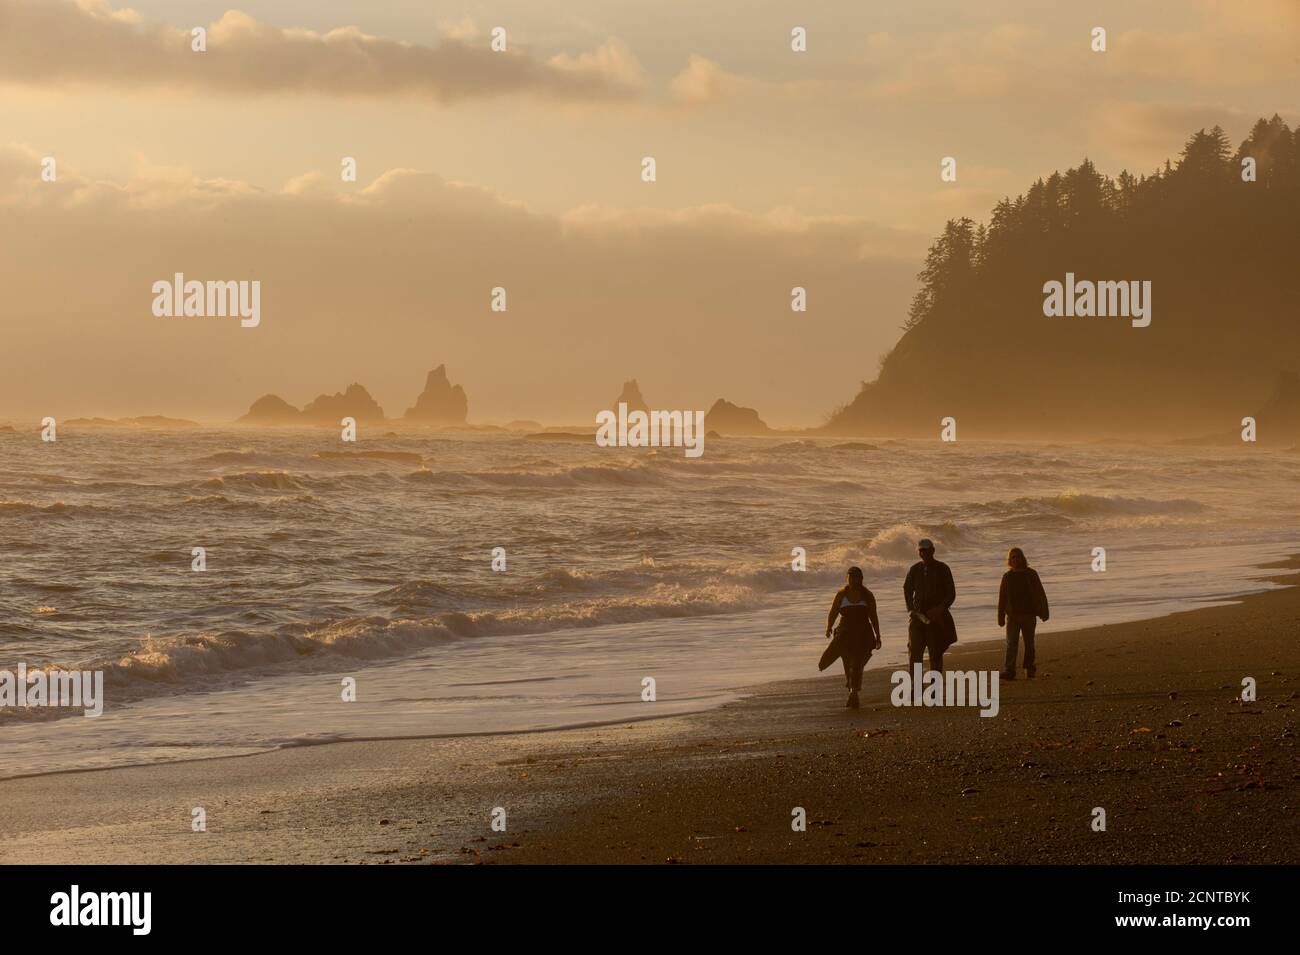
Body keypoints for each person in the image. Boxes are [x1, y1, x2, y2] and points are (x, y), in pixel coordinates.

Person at [823, 566, 882, 709]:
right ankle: (852, 689)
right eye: (850, 577)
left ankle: (853, 691)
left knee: (857, 663)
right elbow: (833, 612)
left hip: (863, 633)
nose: (852, 580)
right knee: (847, 662)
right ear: (847, 578)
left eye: (855, 577)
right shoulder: (841, 595)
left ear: (861, 578)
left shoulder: (867, 595)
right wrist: (829, 627)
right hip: (844, 634)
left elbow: (873, 616)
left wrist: (878, 635)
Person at [903, 538, 957, 675]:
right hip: (918, 618)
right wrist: (911, 609)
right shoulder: (914, 569)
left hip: (936, 618)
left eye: (926, 550)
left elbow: (951, 593)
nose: (923, 553)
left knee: (936, 654)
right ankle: (916, 688)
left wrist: (940, 608)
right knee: (915, 654)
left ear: (933, 550)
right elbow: (907, 589)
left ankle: (935, 691)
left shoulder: (943, 568)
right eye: (921, 550)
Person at [997, 547, 1049, 680]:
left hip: (1029, 615)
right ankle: (1009, 670)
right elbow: (1002, 598)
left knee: (1029, 643)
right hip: (1013, 616)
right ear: (1009, 560)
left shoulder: (1031, 574)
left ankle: (1029, 668)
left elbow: (1040, 593)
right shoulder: (1007, 576)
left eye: (1017, 557)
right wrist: (1000, 617)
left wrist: (1044, 612)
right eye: (1012, 557)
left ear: (1022, 558)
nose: (1015, 559)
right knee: (1011, 643)